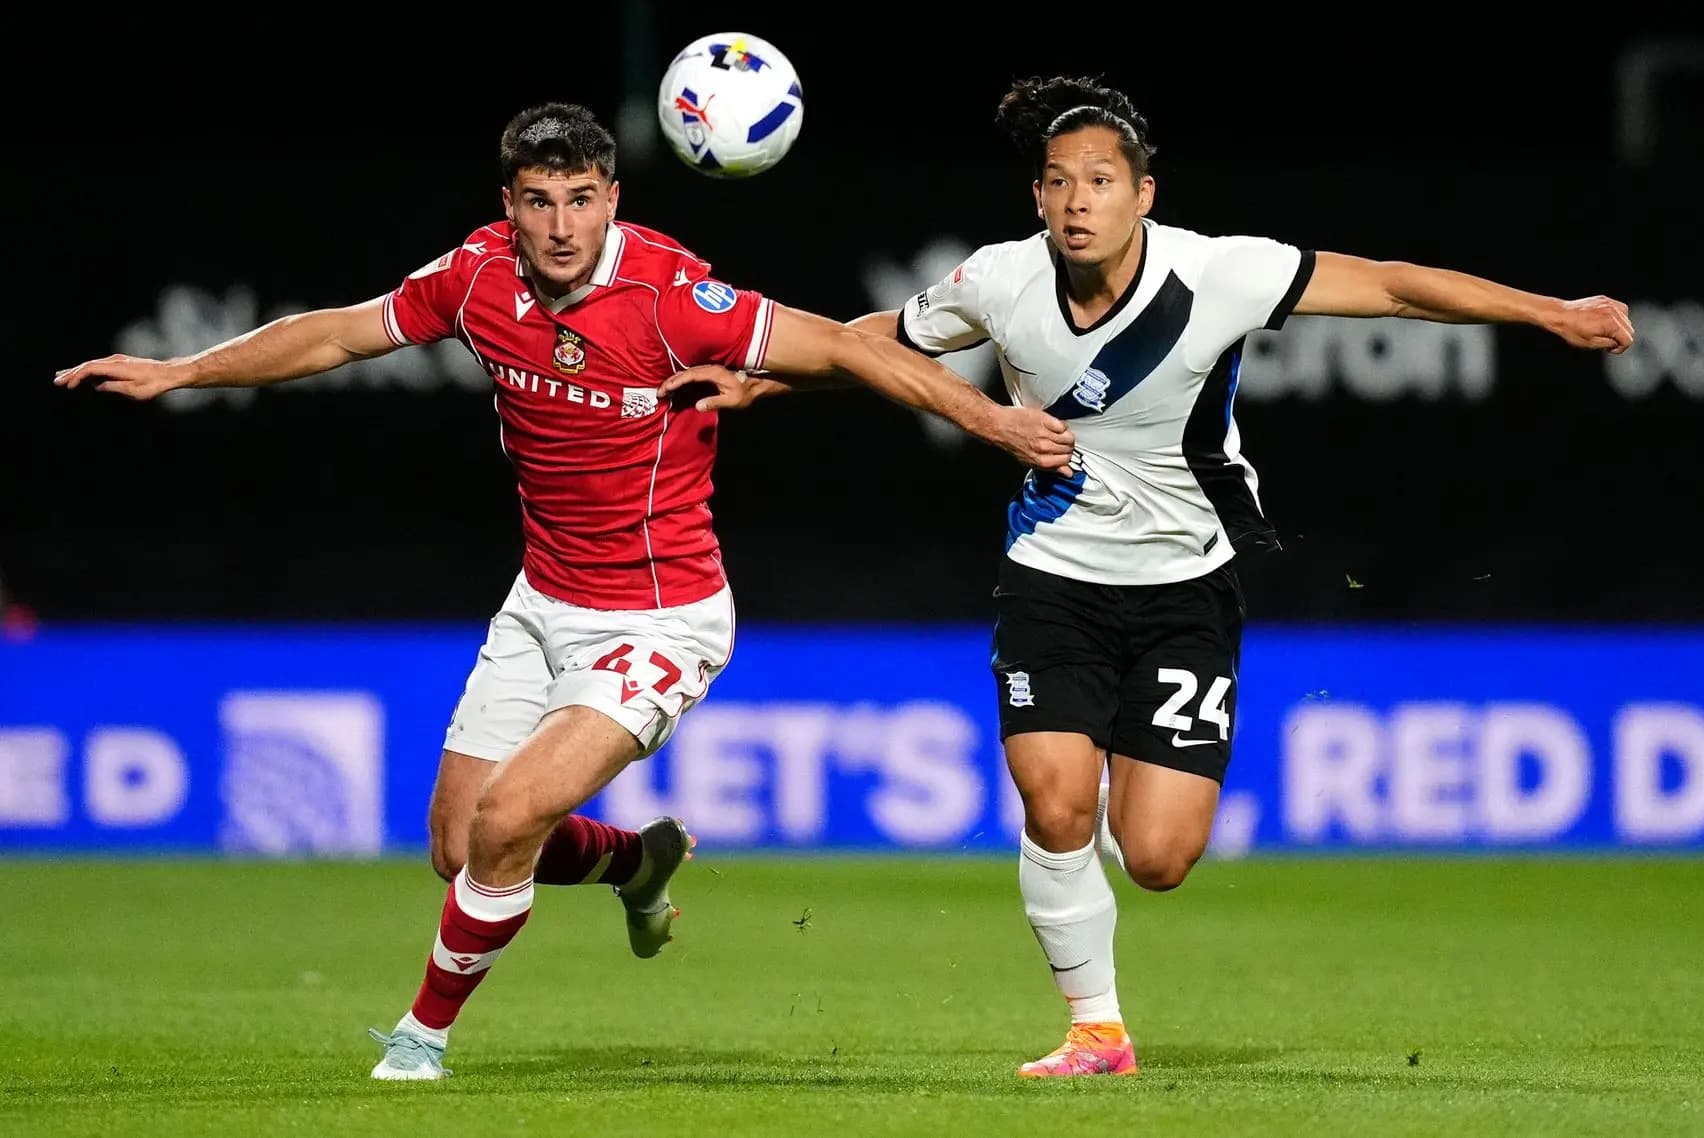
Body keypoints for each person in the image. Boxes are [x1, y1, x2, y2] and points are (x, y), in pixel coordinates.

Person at [53, 100, 1076, 1081]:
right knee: (458, 844)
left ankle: (419, 1039)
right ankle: (636, 864)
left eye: (581, 198)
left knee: (506, 823)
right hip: (540, 601)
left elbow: (850, 347)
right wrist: (182, 373)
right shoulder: (475, 277)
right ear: (508, 203)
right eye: (539, 201)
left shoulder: (675, 297)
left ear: (612, 196)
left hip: (661, 614)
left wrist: (995, 425)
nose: (561, 225)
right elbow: (335, 334)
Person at [659, 74, 1636, 1078]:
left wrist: (1546, 312)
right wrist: (760, 378)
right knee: (1051, 802)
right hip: (1050, 579)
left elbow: (1387, 283)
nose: (1076, 200)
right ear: (1035, 198)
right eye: (1056, 182)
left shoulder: (1218, 273)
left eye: (1097, 180)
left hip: (1184, 588)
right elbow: (876, 342)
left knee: (1158, 856)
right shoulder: (996, 279)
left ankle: (1132, 852)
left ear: (1144, 193)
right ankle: (1095, 1029)